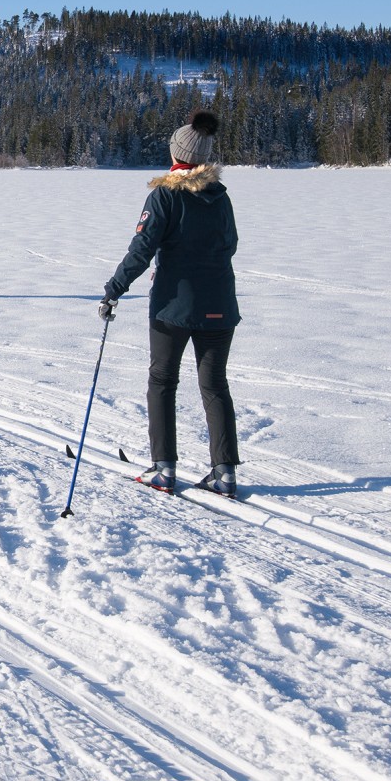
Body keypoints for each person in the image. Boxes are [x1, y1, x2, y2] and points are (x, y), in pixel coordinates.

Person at [98, 110, 242, 498]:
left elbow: (141, 248)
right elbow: (230, 245)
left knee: (162, 382)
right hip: (220, 306)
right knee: (215, 385)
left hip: (173, 309)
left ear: (177, 153)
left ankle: (164, 469)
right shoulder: (221, 197)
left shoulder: (164, 195)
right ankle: (224, 473)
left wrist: (114, 288)